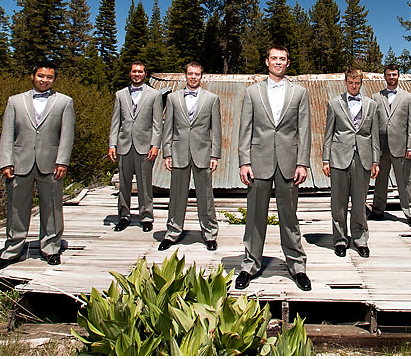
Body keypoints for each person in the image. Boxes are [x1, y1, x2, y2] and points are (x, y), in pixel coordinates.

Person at [235, 45, 312, 292]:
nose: (278, 62)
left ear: (288, 63)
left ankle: (297, 265)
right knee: (255, 215)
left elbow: (305, 130)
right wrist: (244, 161)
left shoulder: (299, 93)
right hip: (258, 161)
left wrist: (303, 162)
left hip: (288, 162)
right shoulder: (252, 93)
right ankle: (250, 264)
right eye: (274, 58)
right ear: (266, 61)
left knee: (289, 216)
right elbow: (245, 129)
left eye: (282, 59)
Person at [0, 59, 75, 270]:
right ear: (33, 76)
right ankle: (11, 249)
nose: (44, 80)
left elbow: (66, 135)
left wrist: (62, 160)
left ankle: (52, 248)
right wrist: (6, 161)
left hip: (52, 163)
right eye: (41, 76)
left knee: (52, 207)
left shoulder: (64, 102)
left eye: (49, 77)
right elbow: (7, 134)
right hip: (20, 162)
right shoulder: (15, 101)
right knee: (17, 208)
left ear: (54, 79)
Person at [159, 61, 221, 251]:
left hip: (203, 152)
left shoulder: (212, 98)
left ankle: (210, 233)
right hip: (179, 152)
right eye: (190, 74)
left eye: (197, 74)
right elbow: (167, 127)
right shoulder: (173, 99)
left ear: (202, 77)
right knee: (177, 195)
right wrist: (167, 153)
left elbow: (216, 130)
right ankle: (172, 233)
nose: (193, 77)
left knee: (206, 196)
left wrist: (215, 155)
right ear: (185, 75)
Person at [322, 67, 380, 258]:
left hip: (363, 158)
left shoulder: (371, 104)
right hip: (339, 157)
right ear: (345, 82)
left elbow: (374, 136)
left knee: (359, 202)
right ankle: (339, 240)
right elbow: (328, 134)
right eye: (351, 83)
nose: (354, 86)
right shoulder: (334, 103)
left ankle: (360, 239)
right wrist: (325, 159)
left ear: (361, 84)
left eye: (357, 83)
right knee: (338, 203)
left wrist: (375, 161)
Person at [108, 60, 163, 233]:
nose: (137, 74)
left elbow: (157, 124)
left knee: (144, 183)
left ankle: (146, 216)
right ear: (130, 73)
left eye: (140, 71)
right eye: (134, 71)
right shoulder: (120, 94)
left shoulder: (154, 95)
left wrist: (155, 144)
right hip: (124, 145)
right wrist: (112, 144)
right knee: (123, 184)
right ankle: (123, 216)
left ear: (145, 74)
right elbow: (115, 122)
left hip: (145, 146)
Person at [369, 64, 411, 227]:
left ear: (399, 76)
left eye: (394, 74)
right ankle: (377, 210)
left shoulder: (408, 97)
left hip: (401, 147)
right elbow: (373, 124)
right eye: (389, 75)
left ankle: (410, 212)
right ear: (384, 77)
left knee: (405, 181)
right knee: (380, 180)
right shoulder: (376, 97)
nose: (392, 77)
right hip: (381, 147)